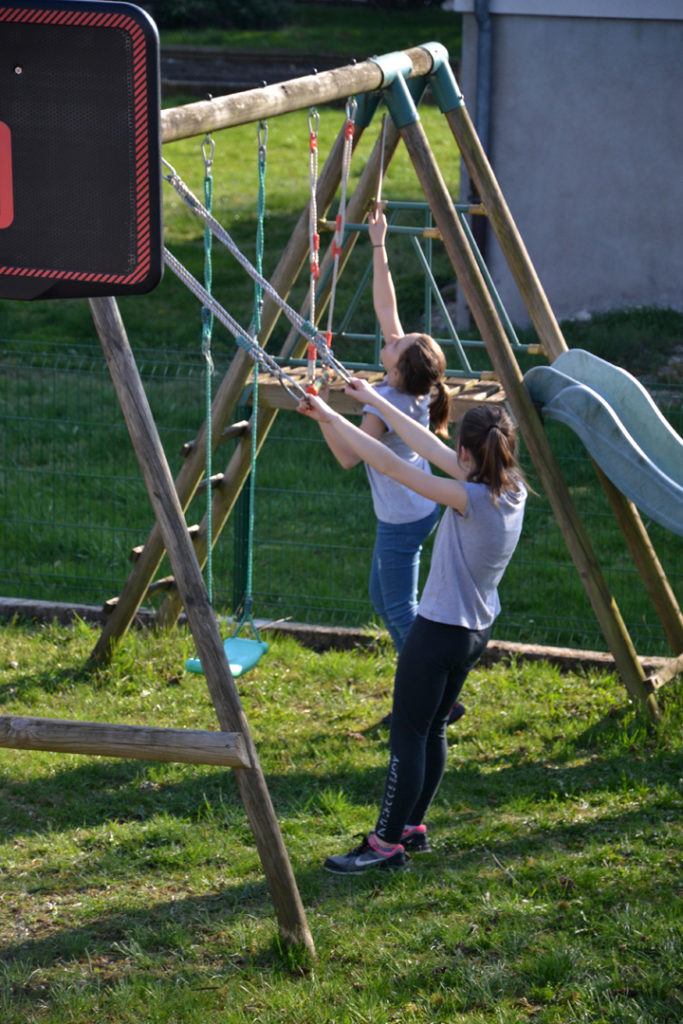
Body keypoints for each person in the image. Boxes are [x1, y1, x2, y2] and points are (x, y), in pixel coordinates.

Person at [297, 378, 527, 874]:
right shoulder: (511, 489)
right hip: (473, 633)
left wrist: (330, 418)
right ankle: (411, 827)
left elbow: (392, 464)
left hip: (437, 634)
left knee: (407, 737)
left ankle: (383, 845)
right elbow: (427, 446)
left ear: (466, 454)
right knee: (433, 727)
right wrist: (372, 400)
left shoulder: (467, 497)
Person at [313, 202, 464, 726]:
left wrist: (323, 413)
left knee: (399, 610)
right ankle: (426, 685)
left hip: (402, 519)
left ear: (398, 372)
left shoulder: (385, 405)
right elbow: (387, 306)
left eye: (397, 345)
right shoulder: (417, 388)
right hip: (415, 509)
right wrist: (378, 243)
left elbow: (347, 457)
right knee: (383, 597)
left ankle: (436, 697)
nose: (392, 337)